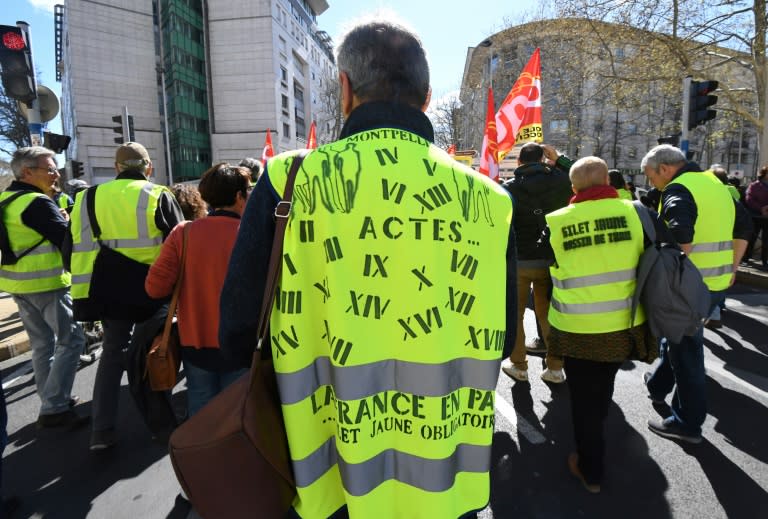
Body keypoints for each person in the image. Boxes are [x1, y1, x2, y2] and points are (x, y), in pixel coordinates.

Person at [219, 19, 516, 518]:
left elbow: (238, 330)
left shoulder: (289, 181)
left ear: (345, 89)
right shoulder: (490, 197)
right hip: (444, 476)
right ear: (426, 98)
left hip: (329, 473)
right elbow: (502, 338)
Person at [545, 156, 658, 493]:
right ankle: (595, 440)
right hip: (622, 324)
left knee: (582, 398)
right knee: (602, 389)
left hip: (575, 327)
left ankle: (590, 467)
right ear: (608, 181)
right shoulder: (637, 213)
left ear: (574, 187)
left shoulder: (557, 221)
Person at [67, 142, 184, 451]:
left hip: (107, 290)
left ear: (116, 168)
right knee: (158, 352)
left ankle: (101, 431)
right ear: (148, 168)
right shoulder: (159, 195)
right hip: (152, 290)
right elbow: (179, 245)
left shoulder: (86, 197)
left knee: (112, 353)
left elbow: (70, 248)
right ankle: (161, 424)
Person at [641, 145, 751, 444]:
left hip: (688, 287)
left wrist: (669, 281)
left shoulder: (679, 189)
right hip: (716, 284)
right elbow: (744, 227)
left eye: (650, 176)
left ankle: (687, 423)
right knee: (678, 340)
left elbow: (680, 237)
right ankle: (657, 385)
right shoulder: (715, 184)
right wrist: (732, 268)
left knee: (687, 353)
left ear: (664, 168)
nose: (651, 183)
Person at [146, 164, 250, 416]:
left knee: (202, 411)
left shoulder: (183, 232)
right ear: (238, 196)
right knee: (237, 414)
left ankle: (201, 454)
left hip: (195, 341)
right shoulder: (250, 233)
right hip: (241, 342)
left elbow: (154, 287)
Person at [0, 147, 88, 430]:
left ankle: (52, 398)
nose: (56, 175)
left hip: (17, 284)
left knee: (42, 345)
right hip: (47, 283)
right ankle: (54, 406)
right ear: (27, 172)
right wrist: (68, 220)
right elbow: (67, 239)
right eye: (49, 169)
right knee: (72, 340)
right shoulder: (36, 202)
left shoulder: (5, 199)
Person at [501, 142, 572, 384]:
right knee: (549, 315)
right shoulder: (563, 180)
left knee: (516, 314)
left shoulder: (507, 188)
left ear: (519, 162)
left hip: (520, 260)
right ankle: (555, 368)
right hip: (553, 259)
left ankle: (519, 365)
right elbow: (585, 172)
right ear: (543, 160)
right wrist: (559, 158)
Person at [744, 165, 768, 269]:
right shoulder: (754, 185)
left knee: (766, 240)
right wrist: (761, 208)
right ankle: (746, 258)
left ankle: (765, 261)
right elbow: (749, 200)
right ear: (764, 173)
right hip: (756, 217)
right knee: (752, 238)